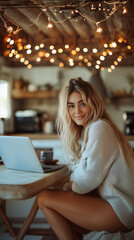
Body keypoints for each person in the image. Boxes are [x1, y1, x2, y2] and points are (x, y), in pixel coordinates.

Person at [37, 77, 134, 240]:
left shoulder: (99, 127)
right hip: (118, 206)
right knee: (54, 201)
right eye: (71, 106)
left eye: (82, 103)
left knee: (44, 197)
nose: (77, 111)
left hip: (121, 210)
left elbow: (84, 183)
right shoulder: (93, 128)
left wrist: (67, 183)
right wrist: (69, 182)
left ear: (93, 103)